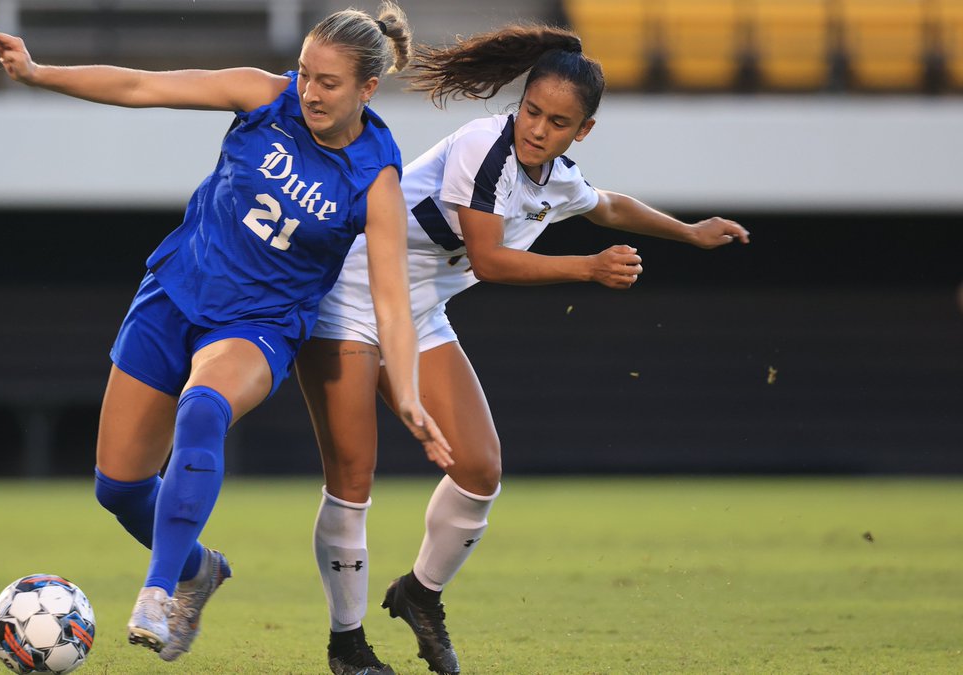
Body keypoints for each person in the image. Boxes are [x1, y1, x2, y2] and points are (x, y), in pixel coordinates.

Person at [0, 2, 452, 664]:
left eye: (328, 82)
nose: (308, 90)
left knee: (203, 406)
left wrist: (407, 393)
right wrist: (37, 72)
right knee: (118, 487)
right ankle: (198, 568)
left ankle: (159, 592)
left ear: (367, 89)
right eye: (306, 73)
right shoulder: (264, 95)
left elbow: (393, 304)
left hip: (258, 325)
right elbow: (144, 87)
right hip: (173, 294)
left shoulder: (377, 175)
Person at [296, 24, 751, 675]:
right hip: (346, 294)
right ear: (520, 104)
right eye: (532, 111)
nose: (538, 128)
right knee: (352, 478)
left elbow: (607, 205)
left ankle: (419, 593)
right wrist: (588, 269)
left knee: (479, 470)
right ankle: (348, 645)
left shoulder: (554, 174)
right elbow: (490, 259)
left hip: (416, 312)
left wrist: (689, 231)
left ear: (581, 132)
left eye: (558, 121)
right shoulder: (486, 148)